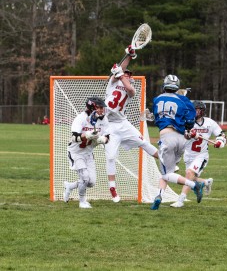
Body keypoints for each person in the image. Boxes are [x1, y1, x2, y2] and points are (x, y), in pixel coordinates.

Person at [104, 45, 159, 202]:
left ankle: (164, 160)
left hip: (123, 123)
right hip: (110, 125)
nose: (127, 75)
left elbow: (129, 89)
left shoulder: (130, 88)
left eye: (128, 74)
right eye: (126, 73)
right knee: (111, 156)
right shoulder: (113, 83)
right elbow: (119, 71)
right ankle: (112, 188)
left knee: (143, 142)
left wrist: (121, 74)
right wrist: (129, 55)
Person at [150, 75, 204, 210]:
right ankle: (159, 196)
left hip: (167, 136)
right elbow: (191, 121)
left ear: (164, 85)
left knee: (166, 173)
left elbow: (156, 117)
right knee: (167, 172)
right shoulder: (184, 100)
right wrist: (187, 126)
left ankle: (195, 185)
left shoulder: (157, 99)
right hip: (181, 139)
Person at [171, 100, 227, 208]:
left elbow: (221, 135)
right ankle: (205, 182)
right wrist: (189, 134)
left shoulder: (209, 123)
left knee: (189, 174)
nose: (196, 113)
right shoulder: (186, 122)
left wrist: (220, 142)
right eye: (194, 110)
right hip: (188, 155)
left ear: (202, 111)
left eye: (198, 110)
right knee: (190, 178)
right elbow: (182, 135)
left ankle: (181, 200)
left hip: (201, 155)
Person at [63, 97, 110, 209]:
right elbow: (74, 138)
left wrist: (101, 140)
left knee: (91, 182)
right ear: (92, 107)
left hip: (88, 153)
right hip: (76, 152)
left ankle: (70, 186)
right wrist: (87, 135)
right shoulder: (81, 118)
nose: (101, 110)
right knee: (85, 177)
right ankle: (82, 201)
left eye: (102, 108)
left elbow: (107, 137)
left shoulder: (104, 120)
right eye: (99, 107)